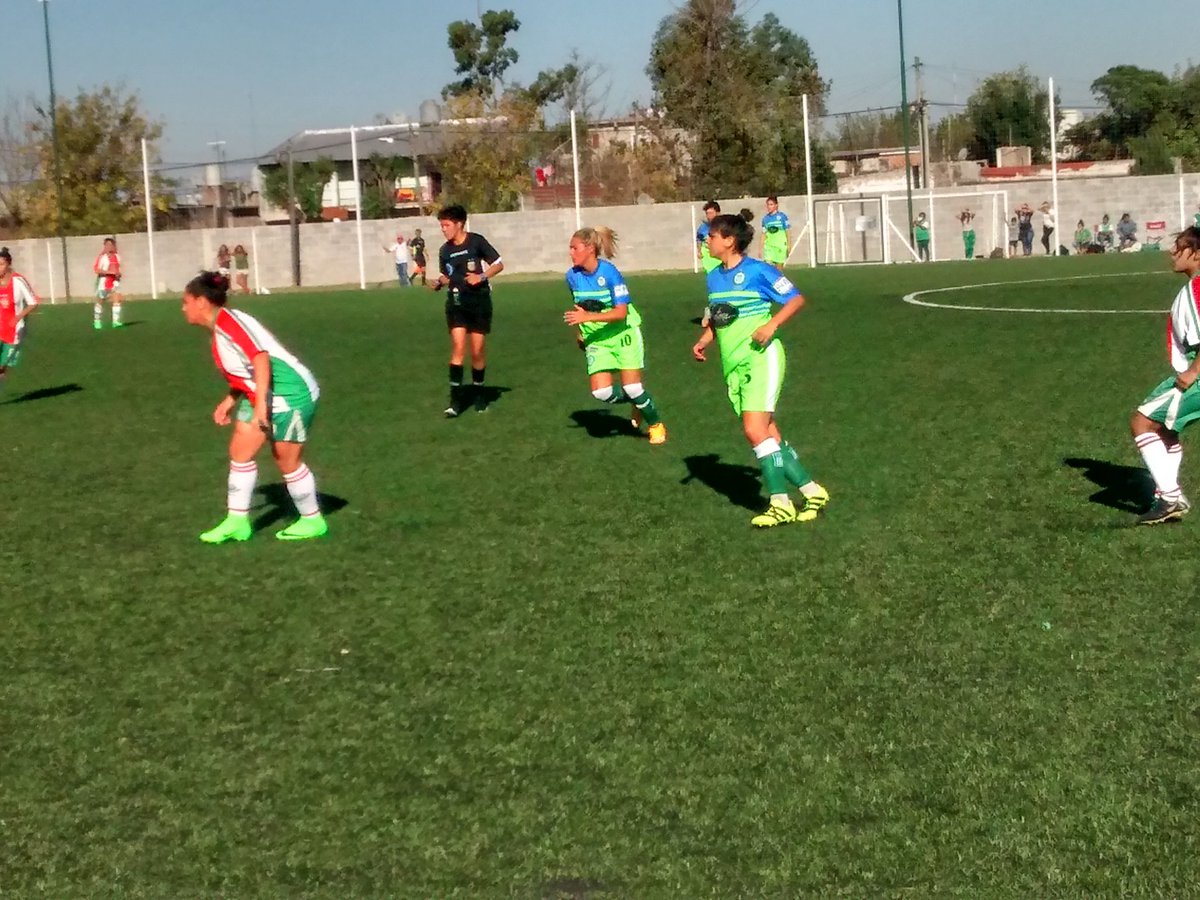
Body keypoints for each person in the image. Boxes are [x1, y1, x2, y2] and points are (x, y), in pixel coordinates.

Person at [691, 210, 829, 528]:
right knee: (768, 433)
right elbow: (721, 316)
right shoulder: (713, 276)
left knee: (754, 430)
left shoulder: (758, 271)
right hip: (734, 364)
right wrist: (705, 339)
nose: (706, 241)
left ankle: (780, 503)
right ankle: (813, 491)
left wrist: (771, 325)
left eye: (711, 236)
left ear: (729, 240)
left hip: (761, 358)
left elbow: (795, 299)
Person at [181, 271, 327, 543]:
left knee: (286, 460)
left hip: (292, 393)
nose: (183, 308)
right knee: (240, 451)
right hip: (264, 392)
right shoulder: (220, 327)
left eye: (186, 301)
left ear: (201, 302)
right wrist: (230, 399)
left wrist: (260, 407)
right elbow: (246, 370)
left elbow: (260, 359)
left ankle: (312, 520)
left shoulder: (228, 323)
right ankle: (237, 522)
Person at [563, 226, 667, 445]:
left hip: (623, 333)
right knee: (601, 392)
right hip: (597, 338)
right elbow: (579, 308)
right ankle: (637, 401)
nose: (570, 252)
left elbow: (621, 313)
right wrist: (580, 332)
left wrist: (588, 317)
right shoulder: (572, 277)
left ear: (590, 249)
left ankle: (655, 424)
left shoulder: (610, 273)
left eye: (574, 248)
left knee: (632, 387)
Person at [1128, 227, 1200, 525]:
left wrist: (1193, 372)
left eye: (1180, 247)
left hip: (1197, 374)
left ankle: (1170, 498)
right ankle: (1170, 495)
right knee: (1166, 431)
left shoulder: (1197, 289)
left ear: (1197, 254)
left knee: (1142, 422)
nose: (1172, 252)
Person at [430, 204, 504, 416]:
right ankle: (455, 402)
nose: (443, 229)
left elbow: (498, 264)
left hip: (479, 301)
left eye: (446, 225)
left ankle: (479, 395)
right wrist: (439, 282)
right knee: (458, 348)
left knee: (477, 352)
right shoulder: (445, 251)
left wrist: (481, 277)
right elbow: (448, 275)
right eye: (441, 225)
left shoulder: (476, 241)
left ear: (459, 224)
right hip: (456, 303)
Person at [0, 247, 39, 383]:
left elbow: (33, 303)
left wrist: (17, 318)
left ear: (8, 264)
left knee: (2, 366)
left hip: (15, 329)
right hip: (1, 326)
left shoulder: (18, 281)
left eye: (1, 264)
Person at [93, 237, 124, 329]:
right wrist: (110, 272)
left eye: (111, 245)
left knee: (117, 299)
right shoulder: (102, 257)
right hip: (103, 282)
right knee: (100, 301)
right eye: (107, 245)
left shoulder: (117, 256)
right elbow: (97, 270)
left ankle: (115, 321)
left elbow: (118, 269)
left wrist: (118, 275)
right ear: (104, 246)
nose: (109, 247)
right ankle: (97, 320)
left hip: (114, 282)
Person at [760, 195, 790, 270]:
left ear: (776, 205)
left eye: (771, 204)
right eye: (768, 205)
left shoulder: (782, 217)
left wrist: (789, 245)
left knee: (778, 270)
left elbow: (787, 231)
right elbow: (764, 233)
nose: (769, 207)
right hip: (769, 246)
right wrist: (760, 248)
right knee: (768, 268)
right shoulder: (765, 219)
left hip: (780, 246)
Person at [696, 200, 721, 274]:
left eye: (711, 213)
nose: (709, 216)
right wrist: (699, 251)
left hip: (721, 255)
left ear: (717, 213)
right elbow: (699, 239)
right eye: (707, 213)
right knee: (713, 275)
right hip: (708, 257)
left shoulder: (724, 226)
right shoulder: (703, 228)